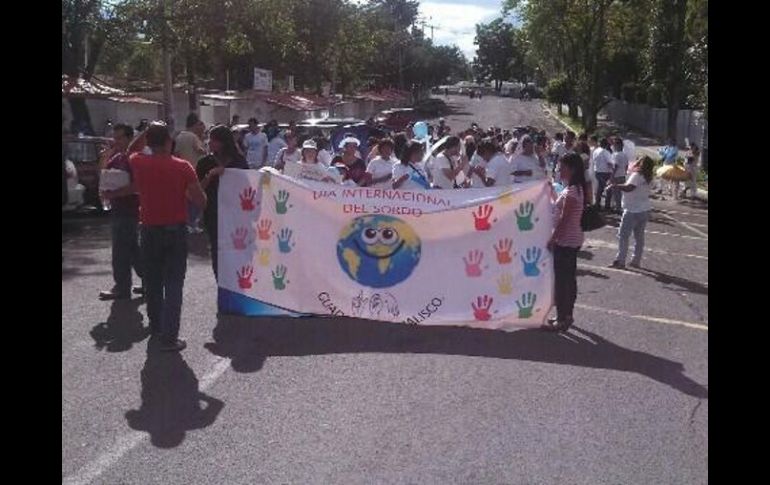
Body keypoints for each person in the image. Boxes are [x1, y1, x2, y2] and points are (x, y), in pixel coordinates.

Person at [127, 122, 207, 352]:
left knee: (152, 282)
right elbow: (200, 201)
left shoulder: (139, 162)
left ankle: (156, 325)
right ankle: (169, 336)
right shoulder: (182, 167)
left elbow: (130, 150)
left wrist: (145, 131)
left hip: (149, 228)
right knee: (173, 284)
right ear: (169, 143)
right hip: (175, 230)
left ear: (149, 142)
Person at [99, 123, 145, 300]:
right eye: (114, 137)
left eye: (119, 137)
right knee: (133, 249)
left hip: (130, 209)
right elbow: (104, 177)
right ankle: (149, 281)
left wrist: (115, 193)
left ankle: (122, 287)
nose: (115, 141)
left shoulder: (133, 158)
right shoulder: (116, 157)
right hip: (118, 209)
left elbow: (137, 185)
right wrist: (104, 159)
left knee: (121, 251)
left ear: (129, 138)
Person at [196, 125, 249, 279]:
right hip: (213, 214)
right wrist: (210, 175)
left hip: (236, 215)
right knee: (217, 251)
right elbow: (198, 189)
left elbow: (247, 185)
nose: (209, 143)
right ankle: (222, 284)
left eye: (213, 140)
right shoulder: (205, 163)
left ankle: (236, 283)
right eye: (209, 139)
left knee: (236, 251)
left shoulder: (238, 161)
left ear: (223, 142)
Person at [541, 153, 585, 332]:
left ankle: (562, 317)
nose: (560, 170)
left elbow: (564, 219)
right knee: (568, 279)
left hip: (566, 241)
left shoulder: (573, 191)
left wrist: (553, 238)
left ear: (572, 169)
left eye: (563, 167)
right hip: (572, 239)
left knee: (562, 281)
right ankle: (566, 315)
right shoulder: (576, 189)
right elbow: (560, 207)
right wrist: (552, 191)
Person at [608, 156, 654, 269]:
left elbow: (629, 187)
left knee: (623, 235)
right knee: (639, 236)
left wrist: (615, 186)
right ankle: (636, 260)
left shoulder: (637, 175)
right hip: (644, 209)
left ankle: (620, 260)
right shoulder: (649, 178)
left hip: (632, 209)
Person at [174, 113, 208, 233]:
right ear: (195, 124)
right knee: (196, 197)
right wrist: (204, 146)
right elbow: (201, 151)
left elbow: (176, 154)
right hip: (195, 170)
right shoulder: (194, 137)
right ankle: (192, 222)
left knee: (186, 198)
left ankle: (187, 222)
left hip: (181, 171)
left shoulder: (179, 137)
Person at [606, 137, 629, 213]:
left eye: (614, 144)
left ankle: (618, 208)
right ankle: (619, 206)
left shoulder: (616, 155)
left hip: (616, 176)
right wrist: (624, 172)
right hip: (622, 175)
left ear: (618, 145)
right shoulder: (624, 155)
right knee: (620, 193)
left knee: (616, 193)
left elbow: (615, 167)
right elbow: (626, 166)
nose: (613, 146)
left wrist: (611, 177)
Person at [591, 137, 614, 209]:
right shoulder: (605, 152)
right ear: (606, 144)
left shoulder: (596, 151)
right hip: (605, 172)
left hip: (597, 171)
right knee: (608, 189)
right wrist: (613, 171)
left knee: (600, 188)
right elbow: (610, 163)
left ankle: (597, 204)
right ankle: (607, 205)